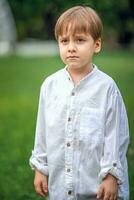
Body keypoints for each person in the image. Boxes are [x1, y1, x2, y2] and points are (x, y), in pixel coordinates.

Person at [29, 5, 129, 200]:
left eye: (80, 40)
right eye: (64, 41)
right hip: (60, 186)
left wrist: (111, 176)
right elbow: (42, 130)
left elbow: (116, 136)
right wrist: (40, 167)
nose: (71, 47)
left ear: (97, 45)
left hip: (97, 188)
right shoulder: (49, 86)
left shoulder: (106, 88)